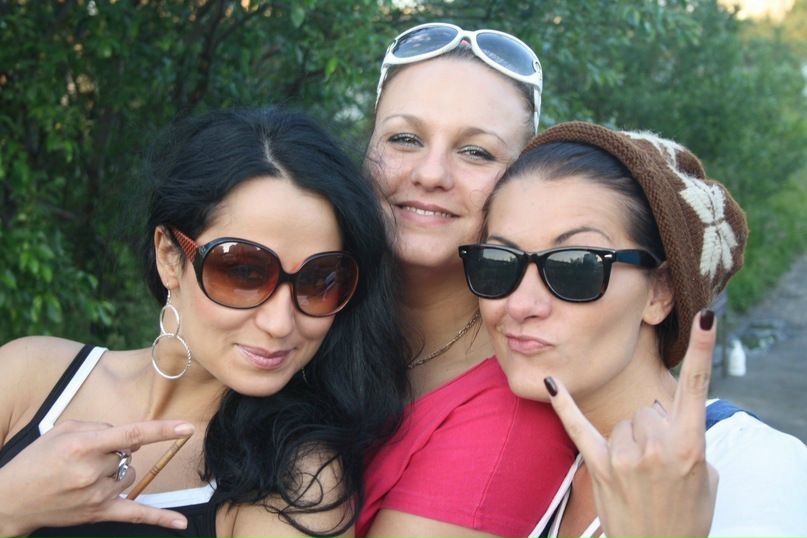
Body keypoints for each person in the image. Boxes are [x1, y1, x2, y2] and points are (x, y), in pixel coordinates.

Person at [0, 108, 409, 537]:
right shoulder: (29, 375)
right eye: (243, 272)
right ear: (169, 257)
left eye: (318, 280)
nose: (280, 323)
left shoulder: (298, 481)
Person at [461, 121, 807, 537]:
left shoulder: (756, 468)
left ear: (660, 292)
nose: (520, 305)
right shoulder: (545, 470)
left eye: (576, 267)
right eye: (498, 263)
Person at [358, 23, 576, 538]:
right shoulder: (298, 310)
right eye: (405, 139)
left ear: (522, 181)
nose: (431, 174)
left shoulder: (516, 408)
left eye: (476, 152)